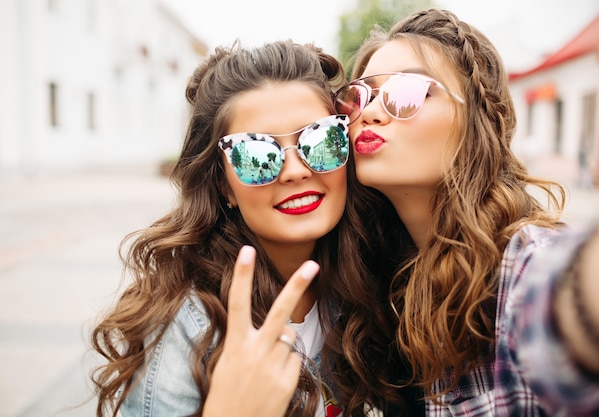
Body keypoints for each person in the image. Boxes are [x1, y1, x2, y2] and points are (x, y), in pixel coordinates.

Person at [332, 7, 599, 416]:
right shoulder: (373, 278)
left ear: (474, 120)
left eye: (405, 94)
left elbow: (571, 302)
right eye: (361, 95)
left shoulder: (515, 267)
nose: (369, 113)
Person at [89, 39, 399, 417]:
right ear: (224, 185)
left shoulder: (372, 278)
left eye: (320, 139)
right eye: (257, 155)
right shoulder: (188, 327)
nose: (296, 171)